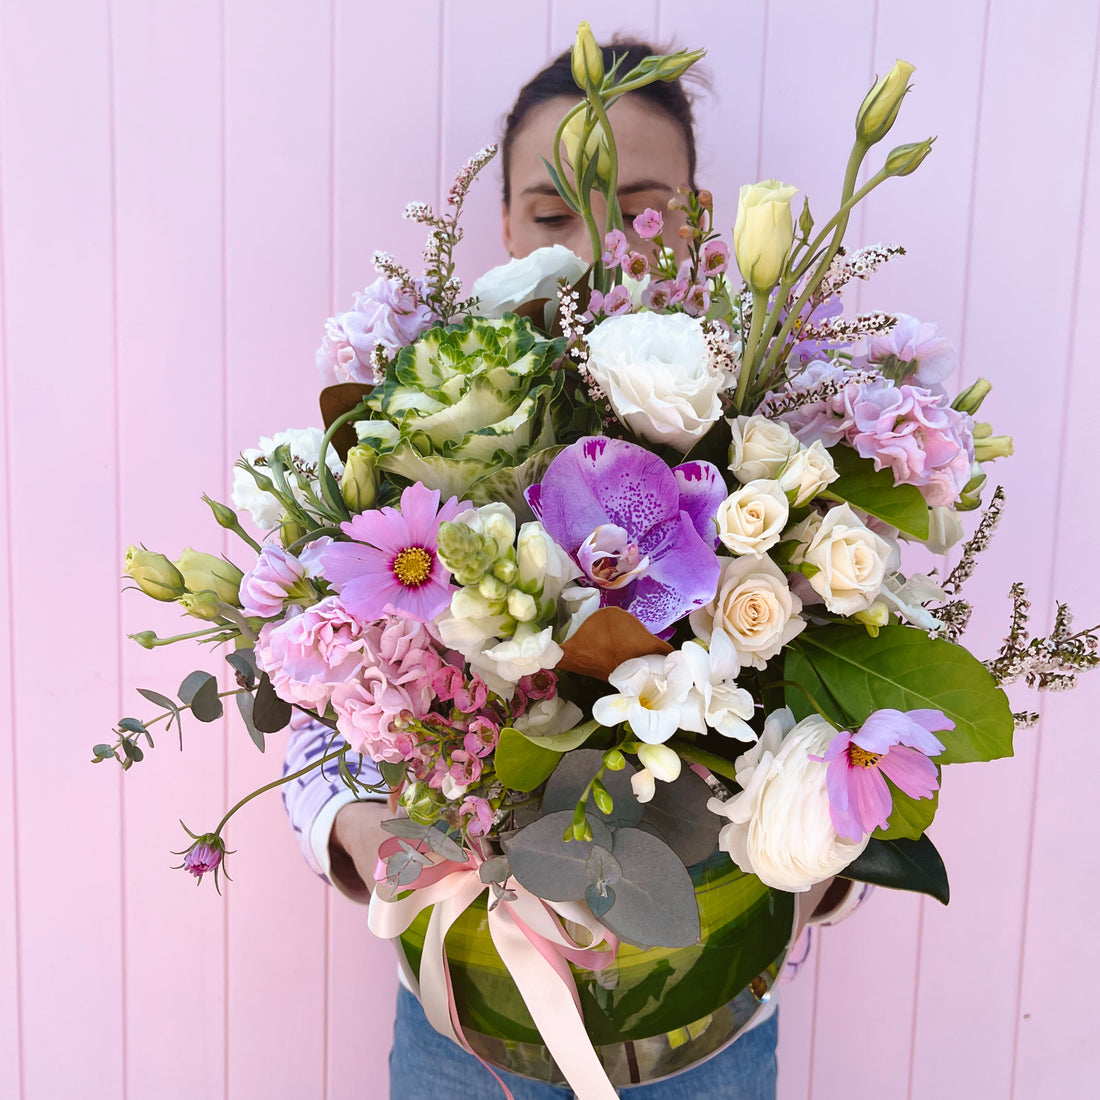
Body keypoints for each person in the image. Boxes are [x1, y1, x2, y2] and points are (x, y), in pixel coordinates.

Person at [283, 38, 866, 1100]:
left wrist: (810, 852)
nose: (598, 245)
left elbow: (855, 696)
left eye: (640, 207)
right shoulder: (428, 424)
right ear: (504, 227)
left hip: (709, 1014)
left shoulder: (777, 432)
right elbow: (320, 688)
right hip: (470, 1014)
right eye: (552, 214)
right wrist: (355, 826)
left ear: (697, 220)